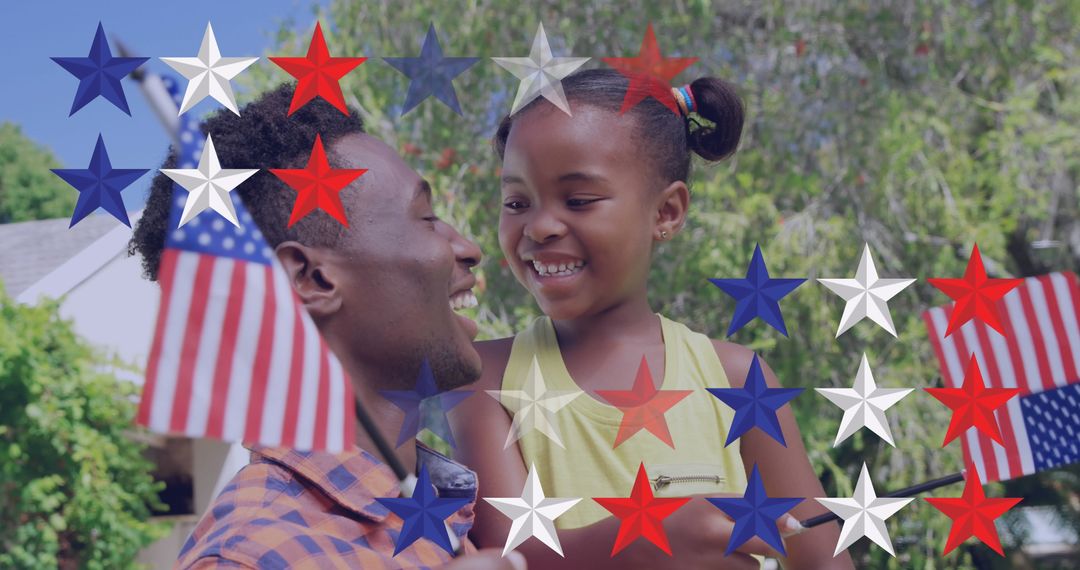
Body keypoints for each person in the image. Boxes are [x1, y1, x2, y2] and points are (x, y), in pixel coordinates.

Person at [451, 69, 854, 568]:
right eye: (516, 202)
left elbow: (823, 558)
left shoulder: (736, 379)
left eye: (578, 200)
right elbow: (510, 559)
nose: (540, 225)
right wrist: (645, 537)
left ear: (666, 212)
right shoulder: (485, 379)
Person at [130, 85, 524, 569]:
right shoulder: (250, 556)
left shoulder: (456, 518)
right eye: (426, 218)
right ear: (312, 279)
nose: (466, 247)